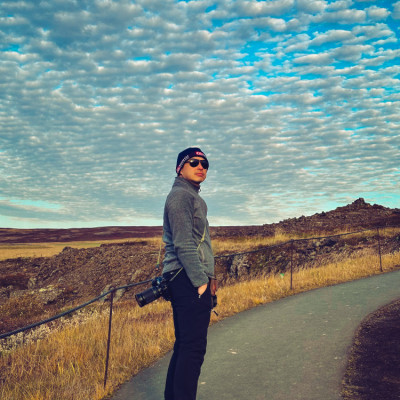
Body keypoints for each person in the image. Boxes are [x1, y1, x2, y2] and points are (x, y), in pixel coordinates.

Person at [162, 147, 218, 400]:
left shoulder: (192, 197)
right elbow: (183, 243)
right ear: (179, 168)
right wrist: (201, 282)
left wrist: (210, 278)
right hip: (187, 278)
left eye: (205, 164)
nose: (201, 167)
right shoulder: (180, 196)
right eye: (194, 162)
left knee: (185, 346)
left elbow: (200, 243)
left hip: (190, 278)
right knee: (193, 349)